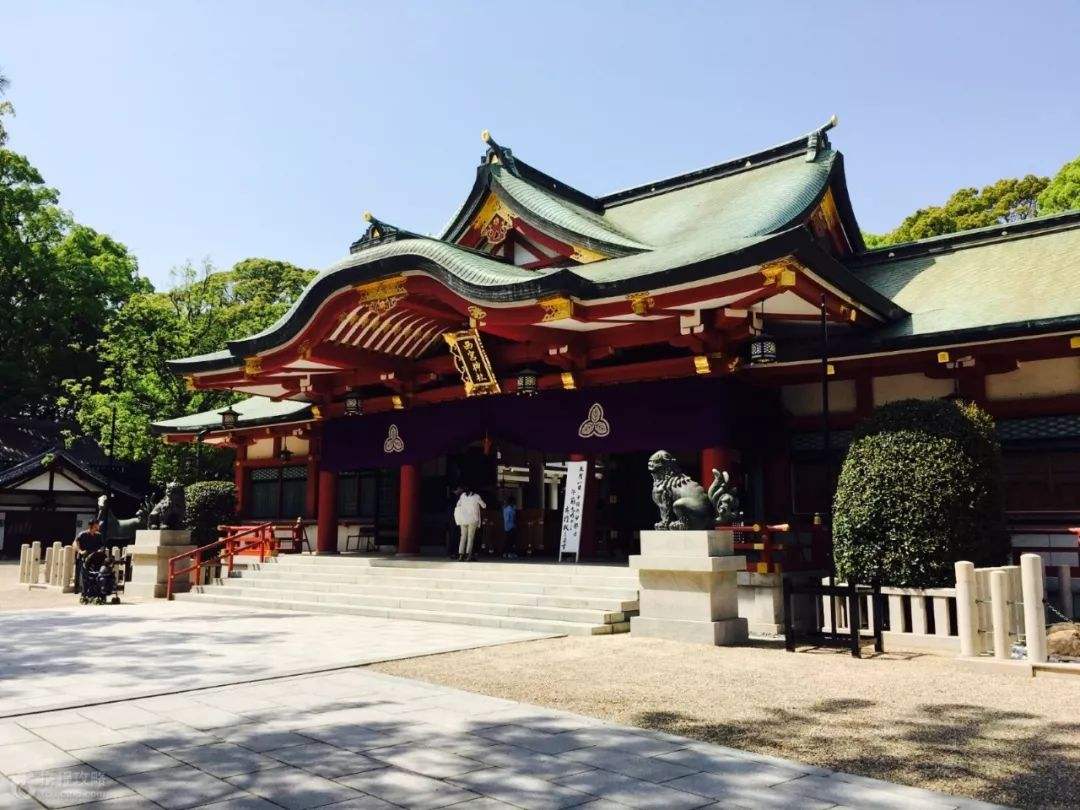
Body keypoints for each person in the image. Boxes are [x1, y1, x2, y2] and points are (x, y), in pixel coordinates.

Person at [454, 486, 486, 561]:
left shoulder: (462, 496)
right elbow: (484, 506)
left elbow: (458, 505)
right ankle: (468, 555)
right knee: (470, 538)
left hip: (463, 519)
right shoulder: (477, 496)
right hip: (473, 520)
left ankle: (461, 555)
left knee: (463, 537)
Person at [73, 519, 104, 594]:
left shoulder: (98, 535)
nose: (99, 526)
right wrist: (80, 551)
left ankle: (90, 589)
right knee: (80, 572)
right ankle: (77, 588)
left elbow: (101, 546)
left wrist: (100, 550)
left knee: (92, 573)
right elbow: (74, 543)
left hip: (93, 557)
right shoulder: (83, 534)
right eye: (97, 524)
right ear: (93, 525)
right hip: (83, 556)